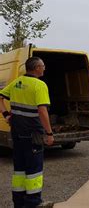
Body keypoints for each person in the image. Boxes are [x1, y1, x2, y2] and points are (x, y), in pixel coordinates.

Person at [0, 57, 54, 208]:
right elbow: (42, 111)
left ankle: (19, 202)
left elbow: (0, 97)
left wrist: (6, 115)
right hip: (33, 135)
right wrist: (49, 134)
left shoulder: (17, 82)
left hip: (17, 133)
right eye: (43, 66)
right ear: (37, 68)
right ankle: (33, 203)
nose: (44, 68)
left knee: (19, 170)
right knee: (34, 170)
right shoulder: (39, 85)